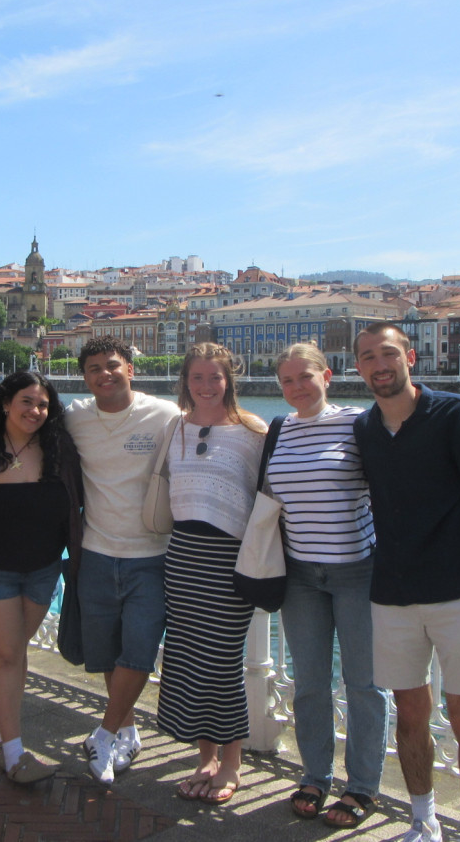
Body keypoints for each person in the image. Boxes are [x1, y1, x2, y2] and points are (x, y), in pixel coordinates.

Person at [353, 322, 460, 842]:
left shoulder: (455, 413)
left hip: (459, 591)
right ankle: (424, 821)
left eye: (388, 353)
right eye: (369, 356)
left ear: (410, 358)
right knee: (411, 715)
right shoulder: (365, 429)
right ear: (358, 368)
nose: (380, 364)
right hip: (392, 594)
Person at [267, 342, 389, 830]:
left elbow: (393, 478)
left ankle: (362, 786)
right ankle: (315, 774)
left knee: (364, 686)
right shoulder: (279, 429)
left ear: (328, 376)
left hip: (357, 571)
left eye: (305, 377)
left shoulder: (358, 423)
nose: (297, 387)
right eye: (287, 381)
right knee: (310, 685)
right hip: (300, 575)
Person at [0, 370, 84, 785]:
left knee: (15, 655)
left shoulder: (57, 446)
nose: (36, 411)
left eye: (43, 404)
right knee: (7, 656)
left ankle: (10, 741)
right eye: (27, 401)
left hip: (42, 570)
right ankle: (12, 751)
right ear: (6, 402)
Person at [64, 336, 180, 784]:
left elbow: (216, 423)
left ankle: (104, 732)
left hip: (151, 556)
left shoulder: (165, 415)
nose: (104, 374)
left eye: (112, 365)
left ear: (131, 368)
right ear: (85, 377)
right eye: (94, 368)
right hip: (94, 554)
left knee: (139, 651)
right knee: (108, 653)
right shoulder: (74, 418)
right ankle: (127, 732)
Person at [156, 343, 265, 805]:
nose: (205, 386)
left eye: (214, 378)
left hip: (228, 558)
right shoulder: (175, 428)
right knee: (188, 656)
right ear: (185, 381)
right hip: (182, 554)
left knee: (221, 662)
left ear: (229, 380)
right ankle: (205, 757)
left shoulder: (252, 431)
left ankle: (233, 762)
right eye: (196, 378)